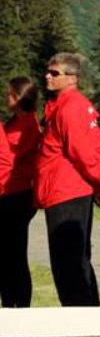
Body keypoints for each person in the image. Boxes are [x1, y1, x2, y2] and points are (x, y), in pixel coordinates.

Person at [36, 52, 100, 307]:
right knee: (75, 260)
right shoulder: (69, 105)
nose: (48, 76)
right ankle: (89, 319)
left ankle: (82, 323)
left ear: (72, 78)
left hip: (66, 191)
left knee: (68, 264)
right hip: (67, 190)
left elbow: (84, 151)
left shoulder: (70, 108)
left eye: (55, 73)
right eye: (48, 71)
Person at [0, 77, 41, 307]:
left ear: (19, 97)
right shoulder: (13, 123)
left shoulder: (29, 126)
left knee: (14, 253)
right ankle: (9, 303)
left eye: (9, 94)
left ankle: (20, 304)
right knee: (7, 254)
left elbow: (10, 159)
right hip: (9, 191)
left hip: (18, 193)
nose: (6, 98)